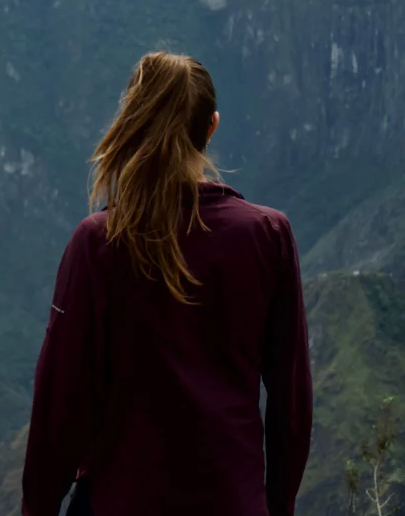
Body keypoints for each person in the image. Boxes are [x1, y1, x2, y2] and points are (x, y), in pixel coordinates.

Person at [21, 52, 313, 516]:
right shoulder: (267, 236)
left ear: (134, 124)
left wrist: (37, 507)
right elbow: (290, 403)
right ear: (212, 126)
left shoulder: (99, 242)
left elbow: (60, 404)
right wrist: (275, 506)